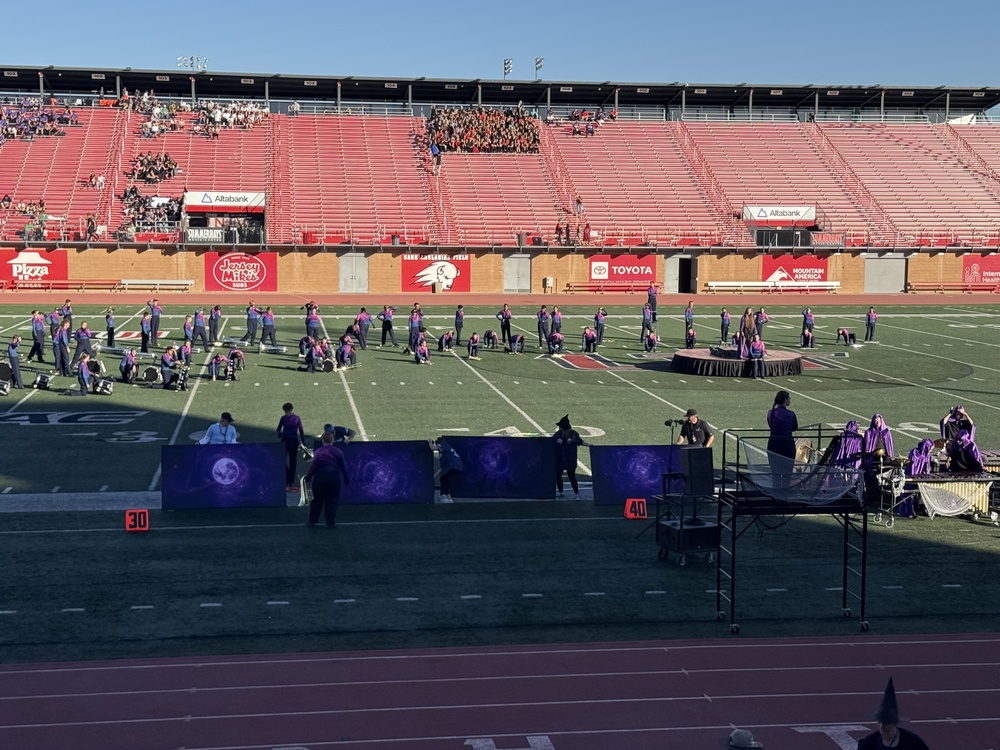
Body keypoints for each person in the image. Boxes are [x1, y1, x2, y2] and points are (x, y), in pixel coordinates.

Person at [856, 678, 929, 750]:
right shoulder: (868, 743)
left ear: (895, 723)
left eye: (886, 723)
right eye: (880, 721)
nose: (882, 726)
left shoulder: (913, 742)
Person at [304, 431, 350, 528]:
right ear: (332, 440)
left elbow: (313, 466)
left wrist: (308, 477)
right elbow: (343, 467)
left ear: (322, 440)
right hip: (334, 478)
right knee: (332, 501)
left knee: (316, 500)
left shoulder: (319, 452)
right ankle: (330, 522)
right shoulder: (338, 452)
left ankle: (312, 521)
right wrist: (346, 478)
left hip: (320, 479)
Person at [767, 391, 798, 489]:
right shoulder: (791, 414)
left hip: (774, 444)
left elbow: (771, 425)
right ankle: (784, 495)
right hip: (787, 444)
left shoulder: (770, 413)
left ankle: (776, 495)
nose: (790, 400)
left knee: (775, 473)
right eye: (789, 398)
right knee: (787, 474)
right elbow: (794, 427)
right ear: (785, 400)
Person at [554, 415, 585, 499]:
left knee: (572, 477)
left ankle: (576, 494)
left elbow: (580, 442)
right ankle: (560, 492)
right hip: (559, 459)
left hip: (570, 459)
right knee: (558, 476)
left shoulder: (573, 434)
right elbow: (551, 442)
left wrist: (589, 445)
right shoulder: (558, 434)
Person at [277, 402, 306, 491]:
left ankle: (291, 480)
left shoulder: (296, 419)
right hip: (285, 441)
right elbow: (278, 428)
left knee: (293, 461)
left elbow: (301, 430)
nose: (286, 413)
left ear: (290, 410)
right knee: (282, 460)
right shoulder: (284, 418)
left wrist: (303, 442)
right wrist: (279, 433)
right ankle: (288, 477)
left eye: (287, 411)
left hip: (293, 442)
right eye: (285, 411)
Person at [434, 437, 463, 503]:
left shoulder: (443, 450)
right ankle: (447, 496)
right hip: (458, 466)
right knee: (444, 479)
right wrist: (434, 475)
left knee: (443, 479)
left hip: (455, 467)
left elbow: (433, 448)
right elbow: (442, 468)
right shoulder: (448, 448)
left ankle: (447, 497)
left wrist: (430, 442)